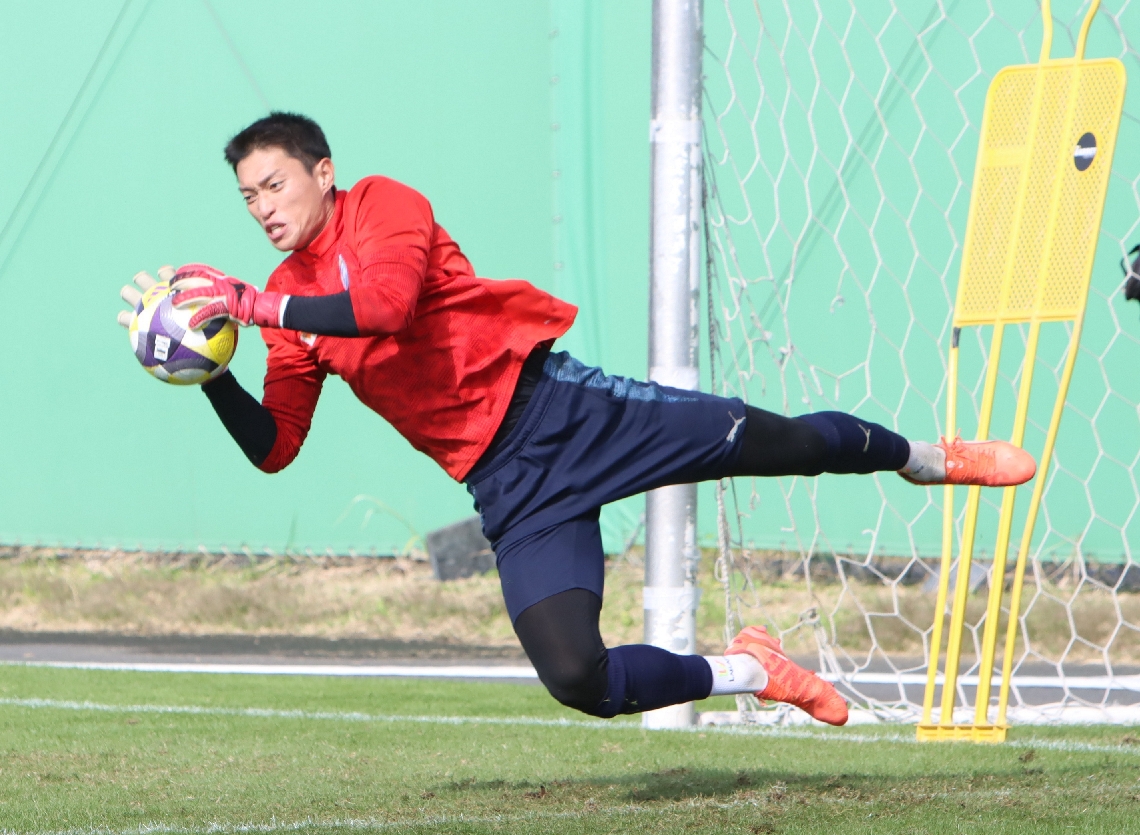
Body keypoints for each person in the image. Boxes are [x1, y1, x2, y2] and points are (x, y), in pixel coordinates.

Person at [117, 112, 1037, 727]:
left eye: (274, 184)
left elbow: (389, 306)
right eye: (248, 197)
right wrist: (204, 370)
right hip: (510, 485)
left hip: (565, 410)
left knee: (788, 444)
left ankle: (925, 456)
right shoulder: (279, 301)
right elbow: (276, 448)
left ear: (323, 172)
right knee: (575, 678)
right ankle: (756, 670)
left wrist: (254, 307)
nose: (263, 207)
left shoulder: (381, 207)